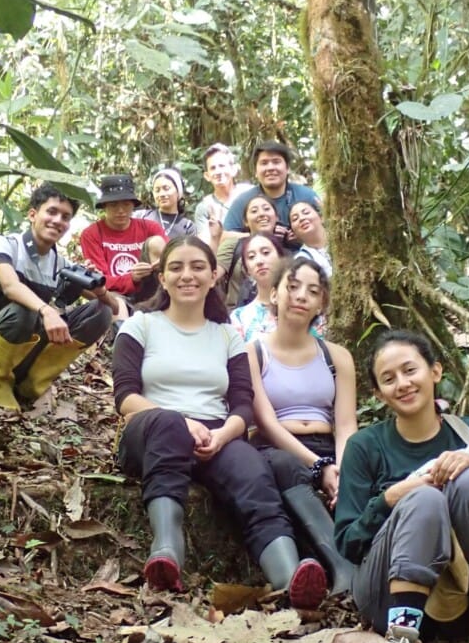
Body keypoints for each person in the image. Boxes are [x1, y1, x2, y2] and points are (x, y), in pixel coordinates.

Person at [111, 235, 327, 609]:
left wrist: (223, 433)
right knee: (167, 426)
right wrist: (180, 420)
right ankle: (166, 552)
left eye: (197, 267)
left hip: (215, 431)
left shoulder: (228, 335)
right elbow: (125, 397)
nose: (187, 276)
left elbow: (243, 405)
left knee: (252, 469)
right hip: (150, 429)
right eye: (176, 267)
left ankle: (288, 576)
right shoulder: (141, 326)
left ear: (214, 275)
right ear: (162, 278)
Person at [334, 329, 469, 643]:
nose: (403, 384)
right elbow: (347, 542)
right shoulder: (365, 447)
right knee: (423, 498)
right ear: (378, 394)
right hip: (386, 600)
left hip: (461, 595)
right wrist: (390, 499)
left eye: (411, 370)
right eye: (389, 379)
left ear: (435, 371)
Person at [248, 258, 357, 593]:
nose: (301, 296)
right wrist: (320, 467)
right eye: (292, 287)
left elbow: (346, 423)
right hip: (280, 446)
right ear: (275, 295)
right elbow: (266, 422)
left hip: (328, 444)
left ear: (321, 302)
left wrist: (343, 469)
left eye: (312, 291)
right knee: (284, 466)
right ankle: (341, 567)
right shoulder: (253, 351)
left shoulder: (337, 355)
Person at [0, 182, 116, 411]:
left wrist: (96, 284)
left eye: (65, 217)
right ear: (33, 214)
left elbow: (111, 306)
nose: (57, 221)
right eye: (51, 212)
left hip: (25, 354)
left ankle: (31, 385)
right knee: (23, 309)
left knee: (99, 313)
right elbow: (11, 287)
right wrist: (47, 311)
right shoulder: (5, 245)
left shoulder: (60, 263)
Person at [79, 174, 166, 318]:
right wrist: (131, 278)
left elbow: (175, 257)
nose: (121, 210)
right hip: (115, 295)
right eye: (114, 205)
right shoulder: (92, 234)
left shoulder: (150, 227)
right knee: (113, 302)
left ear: (133, 204)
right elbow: (100, 279)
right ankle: (120, 335)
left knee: (157, 242)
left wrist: (162, 263)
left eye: (126, 204)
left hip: (152, 291)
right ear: (105, 206)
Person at [223, 140, 321, 247]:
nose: (270, 168)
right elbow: (224, 237)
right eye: (264, 163)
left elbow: (328, 228)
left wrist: (302, 235)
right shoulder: (244, 201)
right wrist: (258, 234)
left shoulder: (306, 196)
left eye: (276, 162)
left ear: (287, 168)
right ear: (255, 171)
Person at [216, 195, 279, 309]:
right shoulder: (233, 244)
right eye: (254, 211)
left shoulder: (286, 251)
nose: (261, 214)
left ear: (276, 217)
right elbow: (212, 276)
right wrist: (214, 238)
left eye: (266, 209)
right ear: (246, 221)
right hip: (236, 319)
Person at [229, 233, 287, 342]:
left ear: (281, 258)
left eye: (266, 253)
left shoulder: (299, 305)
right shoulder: (239, 318)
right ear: (247, 271)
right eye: (251, 257)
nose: (259, 261)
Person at [195, 144, 241, 251]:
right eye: (213, 168)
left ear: (233, 170)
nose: (218, 171)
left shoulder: (248, 195)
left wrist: (222, 235)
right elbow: (205, 245)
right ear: (207, 176)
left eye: (222, 166)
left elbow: (263, 233)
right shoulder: (205, 207)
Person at [135, 168, 197, 239]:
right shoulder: (141, 217)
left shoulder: (188, 227)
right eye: (157, 190)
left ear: (178, 191)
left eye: (166, 188)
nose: (161, 194)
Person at [290, 201, 332, 277]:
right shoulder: (301, 259)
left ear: (322, 217)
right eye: (295, 219)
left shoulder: (344, 237)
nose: (301, 218)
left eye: (306, 213)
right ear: (293, 233)